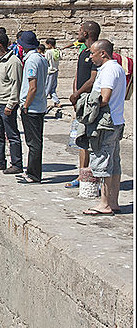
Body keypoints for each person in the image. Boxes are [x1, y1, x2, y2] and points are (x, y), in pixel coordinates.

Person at [82, 39, 126, 215]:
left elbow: (104, 98)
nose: (90, 57)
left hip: (106, 123)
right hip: (116, 120)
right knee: (114, 163)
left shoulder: (108, 71)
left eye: (92, 53)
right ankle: (113, 202)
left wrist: (85, 103)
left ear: (103, 53)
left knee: (103, 163)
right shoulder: (117, 68)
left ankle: (105, 204)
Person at [66, 21, 101, 188]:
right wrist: (75, 95)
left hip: (89, 101)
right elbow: (77, 75)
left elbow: (92, 80)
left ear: (86, 33)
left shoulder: (96, 54)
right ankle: (82, 173)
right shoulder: (83, 52)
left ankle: (90, 174)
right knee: (80, 139)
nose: (78, 33)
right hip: (80, 101)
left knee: (89, 139)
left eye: (80, 30)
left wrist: (78, 94)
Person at [0, 30, 24, 174]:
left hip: (6, 104)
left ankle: (17, 164)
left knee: (12, 135)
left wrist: (11, 104)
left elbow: (16, 84)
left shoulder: (13, 62)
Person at [17, 31, 49, 183]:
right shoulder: (41, 58)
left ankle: (33, 174)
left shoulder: (31, 61)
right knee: (35, 142)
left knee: (33, 143)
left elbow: (32, 87)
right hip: (40, 105)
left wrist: (25, 106)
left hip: (32, 107)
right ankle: (32, 172)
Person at [44, 38, 62, 116]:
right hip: (56, 70)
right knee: (53, 88)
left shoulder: (48, 52)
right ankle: (56, 101)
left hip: (50, 71)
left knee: (47, 88)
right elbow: (60, 58)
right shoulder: (57, 51)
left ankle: (43, 103)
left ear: (49, 44)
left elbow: (46, 61)